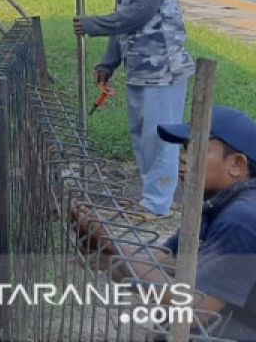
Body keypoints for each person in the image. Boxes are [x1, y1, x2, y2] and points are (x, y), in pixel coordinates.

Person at [71, 105, 256, 341]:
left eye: (197, 149)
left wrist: (114, 244)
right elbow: (170, 261)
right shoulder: (215, 203)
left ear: (236, 166)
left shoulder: (243, 219)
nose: (184, 157)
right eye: (185, 148)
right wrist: (110, 256)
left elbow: (195, 309)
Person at [74, 0, 195, 218]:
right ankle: (151, 197)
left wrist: (93, 25)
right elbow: (123, 18)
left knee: (160, 137)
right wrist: (108, 61)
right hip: (140, 66)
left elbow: (140, 12)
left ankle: (157, 205)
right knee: (142, 136)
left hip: (163, 66)